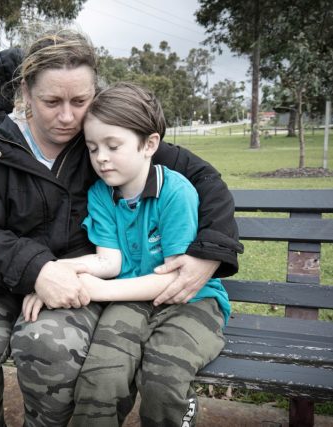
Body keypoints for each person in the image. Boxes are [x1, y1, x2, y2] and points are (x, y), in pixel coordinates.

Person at [0, 29, 243, 427]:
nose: (68, 117)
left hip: (78, 276)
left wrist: (208, 253)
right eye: (51, 101)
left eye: (80, 101)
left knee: (49, 348)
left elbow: (204, 180)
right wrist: (38, 270)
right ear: (25, 92)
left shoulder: (101, 141)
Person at [22, 82, 230, 427]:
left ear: (149, 145)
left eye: (112, 146)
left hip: (192, 303)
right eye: (92, 148)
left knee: (162, 377)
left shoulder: (175, 192)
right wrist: (54, 271)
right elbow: (110, 261)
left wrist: (98, 290)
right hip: (131, 302)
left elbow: (175, 279)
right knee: (101, 377)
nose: (101, 157)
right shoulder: (102, 195)